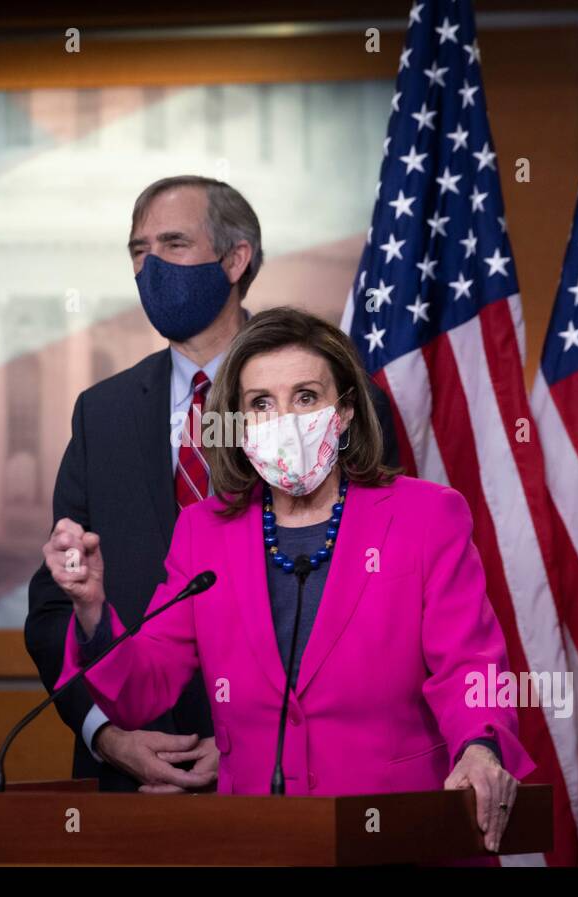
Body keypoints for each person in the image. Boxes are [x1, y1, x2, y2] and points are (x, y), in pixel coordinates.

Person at [45, 308, 532, 852]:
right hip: (258, 841)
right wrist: (91, 608)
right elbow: (142, 688)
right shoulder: (203, 532)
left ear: (345, 411)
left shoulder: (426, 516)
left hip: (401, 833)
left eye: (305, 397)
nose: (286, 420)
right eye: (261, 404)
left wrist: (480, 746)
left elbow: (469, 664)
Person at [25, 176, 399, 793]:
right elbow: (54, 602)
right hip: (134, 780)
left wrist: (256, 743)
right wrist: (105, 734)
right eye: (138, 251)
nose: (150, 266)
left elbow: (370, 601)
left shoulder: (334, 393)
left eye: (172, 244)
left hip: (294, 780)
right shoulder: (102, 412)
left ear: (235, 258)